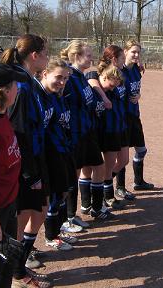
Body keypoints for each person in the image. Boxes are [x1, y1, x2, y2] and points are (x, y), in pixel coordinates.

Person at [0, 34, 53, 287]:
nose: (48, 57)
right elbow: (19, 133)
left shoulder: (28, 81)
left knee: (40, 209)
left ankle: (19, 265)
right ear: (35, 55)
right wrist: (30, 173)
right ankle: (16, 273)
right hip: (23, 165)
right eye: (46, 53)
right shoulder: (20, 86)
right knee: (20, 219)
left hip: (34, 158)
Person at [0, 63, 25, 287]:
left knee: (6, 263)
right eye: (15, 85)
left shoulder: (2, 117)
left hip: (8, 204)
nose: (18, 88)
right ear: (5, 91)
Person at [60, 40, 108, 221]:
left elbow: (88, 101)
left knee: (99, 166)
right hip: (76, 134)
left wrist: (98, 104)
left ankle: (95, 207)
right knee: (74, 174)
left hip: (88, 131)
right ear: (76, 56)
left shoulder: (81, 76)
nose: (91, 58)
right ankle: (69, 216)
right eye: (88, 55)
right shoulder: (69, 78)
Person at [38, 59, 78, 251]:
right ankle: (51, 236)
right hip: (48, 154)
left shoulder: (56, 95)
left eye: (66, 78)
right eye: (58, 77)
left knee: (64, 191)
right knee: (53, 196)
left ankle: (58, 230)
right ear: (45, 73)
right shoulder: (38, 96)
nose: (62, 82)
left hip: (62, 149)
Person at [86, 45, 130, 208]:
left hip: (120, 124)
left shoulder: (120, 75)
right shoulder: (98, 76)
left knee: (122, 160)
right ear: (113, 59)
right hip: (106, 127)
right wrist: (104, 97)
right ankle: (106, 195)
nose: (124, 61)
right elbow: (91, 77)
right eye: (121, 58)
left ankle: (102, 190)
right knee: (104, 164)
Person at [115, 39, 154, 199]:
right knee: (122, 156)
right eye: (133, 52)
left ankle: (138, 181)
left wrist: (139, 95)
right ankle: (120, 187)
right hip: (122, 117)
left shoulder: (137, 70)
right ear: (125, 52)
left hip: (134, 115)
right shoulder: (119, 72)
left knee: (141, 150)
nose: (136, 55)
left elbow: (136, 90)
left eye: (138, 52)